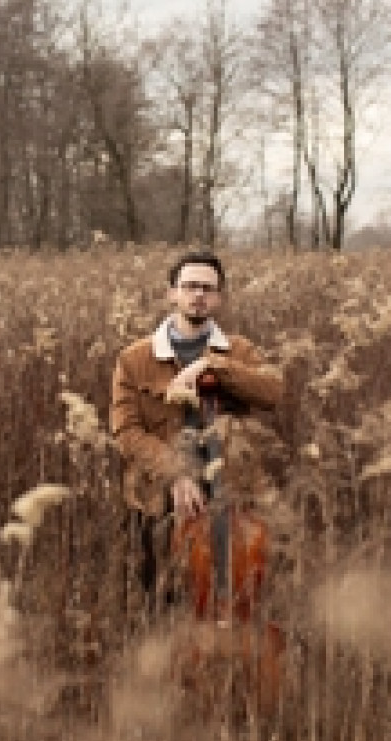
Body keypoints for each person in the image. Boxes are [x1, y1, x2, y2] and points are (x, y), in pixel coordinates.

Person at [109, 251, 283, 609]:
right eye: (190, 286)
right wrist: (175, 475)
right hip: (161, 499)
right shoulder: (134, 359)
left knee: (238, 597)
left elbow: (273, 392)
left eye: (208, 288)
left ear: (218, 297)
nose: (199, 295)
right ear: (171, 293)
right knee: (164, 604)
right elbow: (126, 431)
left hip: (232, 495)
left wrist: (212, 364)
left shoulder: (239, 351)